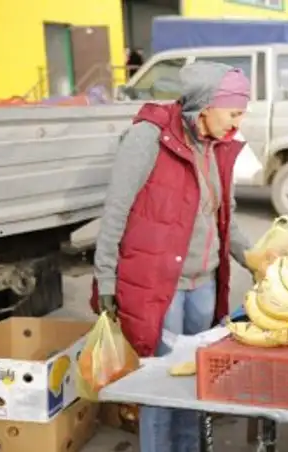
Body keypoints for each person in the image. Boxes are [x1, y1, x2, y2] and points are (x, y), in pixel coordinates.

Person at [90, 61, 255, 451]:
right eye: (234, 111)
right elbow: (116, 211)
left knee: (195, 383)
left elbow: (225, 215)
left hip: (205, 283)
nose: (239, 119)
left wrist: (257, 258)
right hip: (159, 287)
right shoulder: (147, 138)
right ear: (205, 106)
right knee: (162, 387)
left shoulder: (219, 147)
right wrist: (106, 279)